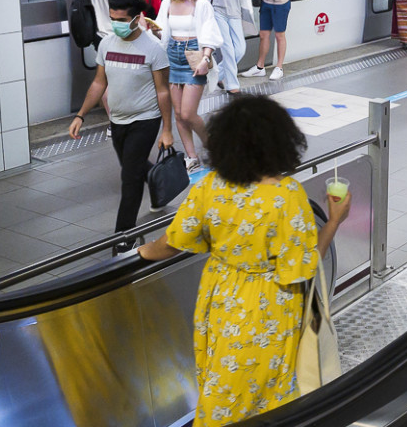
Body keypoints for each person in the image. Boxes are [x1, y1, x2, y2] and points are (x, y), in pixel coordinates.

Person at [138, 95, 351, 426]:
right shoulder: (287, 196)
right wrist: (334, 221)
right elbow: (304, 265)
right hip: (273, 305)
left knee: (221, 386)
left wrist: (138, 251)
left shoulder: (210, 187)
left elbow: (171, 242)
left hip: (221, 299)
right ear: (280, 141)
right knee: (270, 394)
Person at [69, 0, 173, 250]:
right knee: (133, 167)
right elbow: (98, 82)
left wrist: (167, 130)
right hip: (118, 121)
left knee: (129, 178)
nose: (117, 24)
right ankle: (159, 188)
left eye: (122, 19)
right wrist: (80, 114)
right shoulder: (106, 44)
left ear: (138, 19)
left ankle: (123, 238)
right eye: (113, 18)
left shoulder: (154, 49)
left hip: (145, 120)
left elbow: (163, 91)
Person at [152, 0, 223, 170]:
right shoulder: (166, 4)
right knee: (178, 115)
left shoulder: (200, 4)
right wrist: (153, 30)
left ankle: (212, 146)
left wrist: (205, 58)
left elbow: (209, 32)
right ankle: (191, 157)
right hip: (172, 55)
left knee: (188, 113)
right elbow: (163, 34)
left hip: (194, 55)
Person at [198, 0, 259, 94]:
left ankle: (217, 74)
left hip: (235, 14)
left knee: (240, 49)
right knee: (228, 49)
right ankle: (233, 86)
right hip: (217, 12)